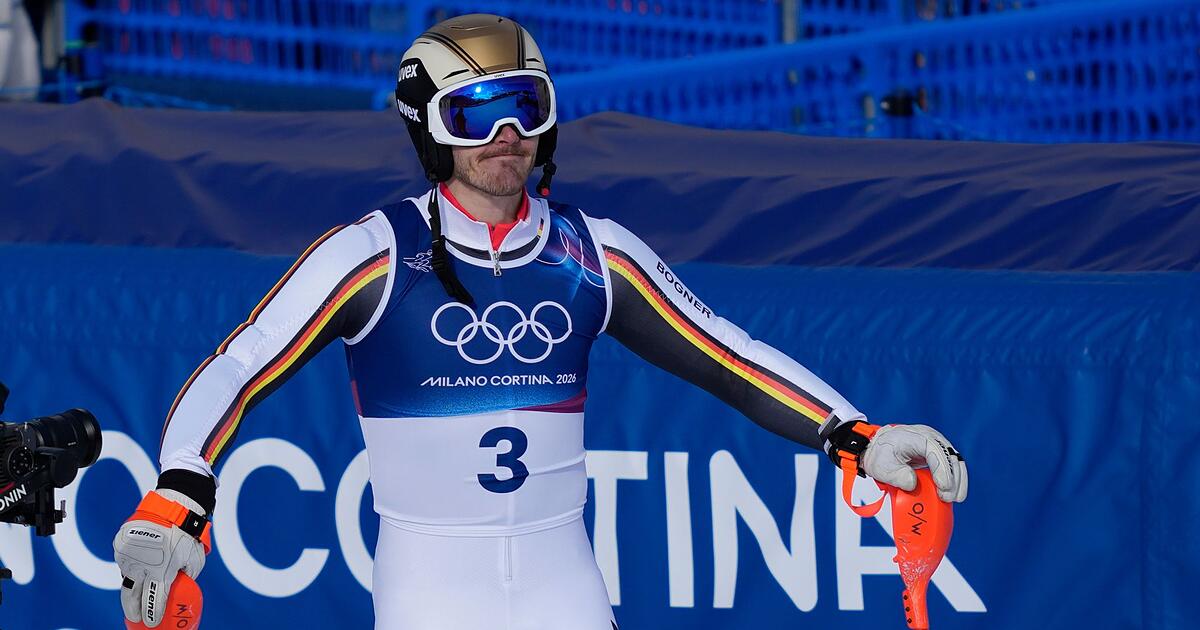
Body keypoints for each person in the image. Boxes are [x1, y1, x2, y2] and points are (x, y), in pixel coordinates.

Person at [112, 14, 968, 630]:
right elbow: (240, 363)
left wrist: (855, 436)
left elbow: (728, 356)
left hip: (566, 583)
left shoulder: (594, 252)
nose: (508, 134)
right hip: (430, 592)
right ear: (431, 130)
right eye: (477, 112)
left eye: (525, 104)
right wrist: (179, 489)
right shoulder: (372, 253)